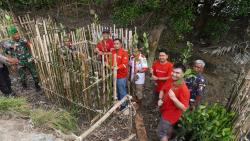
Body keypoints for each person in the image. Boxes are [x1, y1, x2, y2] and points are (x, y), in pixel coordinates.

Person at [157, 63, 190, 141]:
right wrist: (160, 99)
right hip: (164, 109)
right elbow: (163, 89)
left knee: (160, 133)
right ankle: (168, 137)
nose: (174, 74)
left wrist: (174, 98)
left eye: (177, 73)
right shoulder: (170, 79)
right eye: (173, 71)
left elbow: (184, 108)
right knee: (169, 128)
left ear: (183, 74)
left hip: (170, 115)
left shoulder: (184, 89)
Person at [4, 26, 41, 91]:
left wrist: (31, 53)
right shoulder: (9, 43)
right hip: (19, 62)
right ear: (12, 35)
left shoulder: (22, 39)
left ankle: (37, 85)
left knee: (34, 73)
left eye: (17, 33)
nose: (17, 35)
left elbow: (30, 44)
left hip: (28, 59)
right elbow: (7, 53)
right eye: (15, 34)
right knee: (22, 76)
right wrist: (12, 63)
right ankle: (24, 85)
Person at [111, 38, 128, 109]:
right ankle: (119, 104)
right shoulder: (112, 52)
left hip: (121, 76)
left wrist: (117, 67)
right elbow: (110, 61)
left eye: (117, 43)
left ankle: (124, 106)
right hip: (114, 75)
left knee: (122, 91)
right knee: (117, 91)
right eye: (114, 44)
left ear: (121, 44)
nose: (115, 45)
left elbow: (124, 64)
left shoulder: (124, 52)